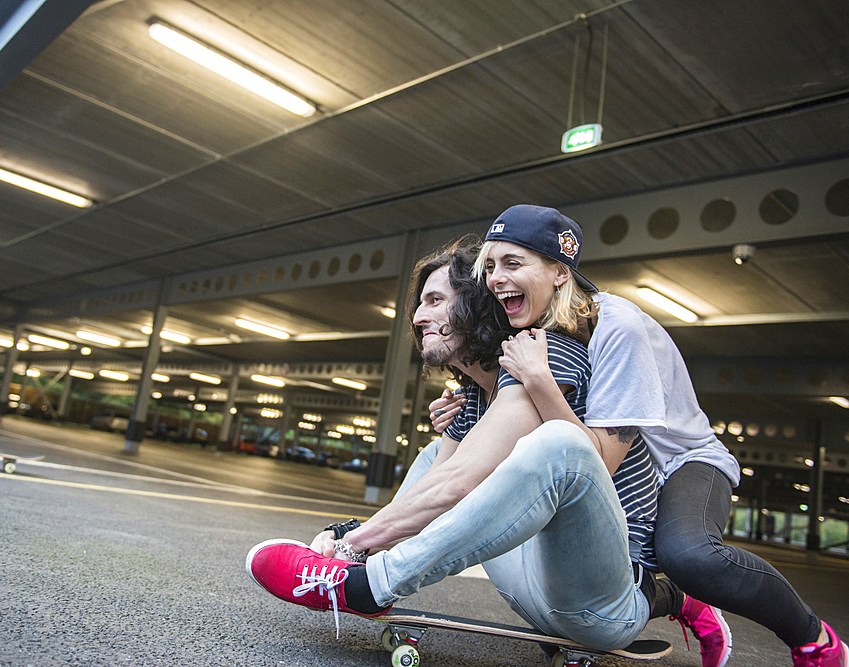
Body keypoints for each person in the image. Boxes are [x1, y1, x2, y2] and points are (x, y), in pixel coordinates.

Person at [246, 236, 727, 661]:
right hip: (538, 586)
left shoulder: (545, 353)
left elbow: (459, 485)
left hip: (600, 604)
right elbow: (440, 480)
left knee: (557, 444)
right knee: (438, 454)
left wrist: (356, 542)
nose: (418, 317)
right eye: (420, 304)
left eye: (435, 300)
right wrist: (353, 538)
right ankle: (362, 571)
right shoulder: (475, 392)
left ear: (476, 306)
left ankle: (368, 586)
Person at [436, 204, 844, 667]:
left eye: (512, 263)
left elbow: (597, 463)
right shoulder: (537, 325)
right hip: (625, 465)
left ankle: (815, 640)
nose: (495, 278)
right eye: (490, 266)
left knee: (691, 558)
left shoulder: (618, 326)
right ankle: (617, 609)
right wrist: (465, 404)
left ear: (559, 273)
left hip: (682, 462)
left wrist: (539, 382)